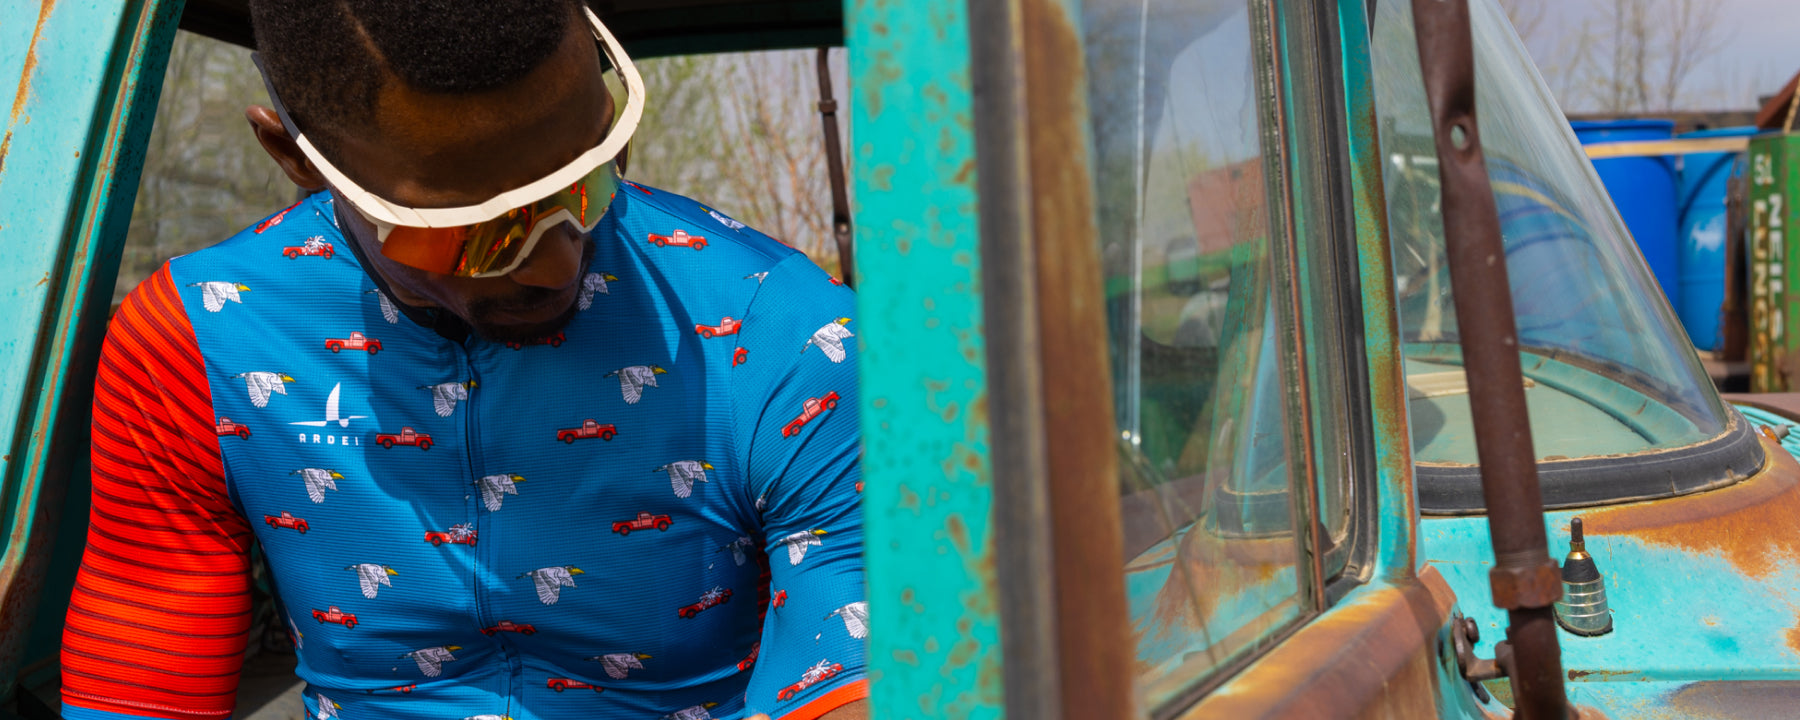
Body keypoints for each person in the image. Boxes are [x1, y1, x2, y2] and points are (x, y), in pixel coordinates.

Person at [58, 2, 867, 719]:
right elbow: (142, 680)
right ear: (297, 159)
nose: (558, 263)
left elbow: (859, 671)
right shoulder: (195, 343)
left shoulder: (785, 329)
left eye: (586, 177)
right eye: (475, 231)